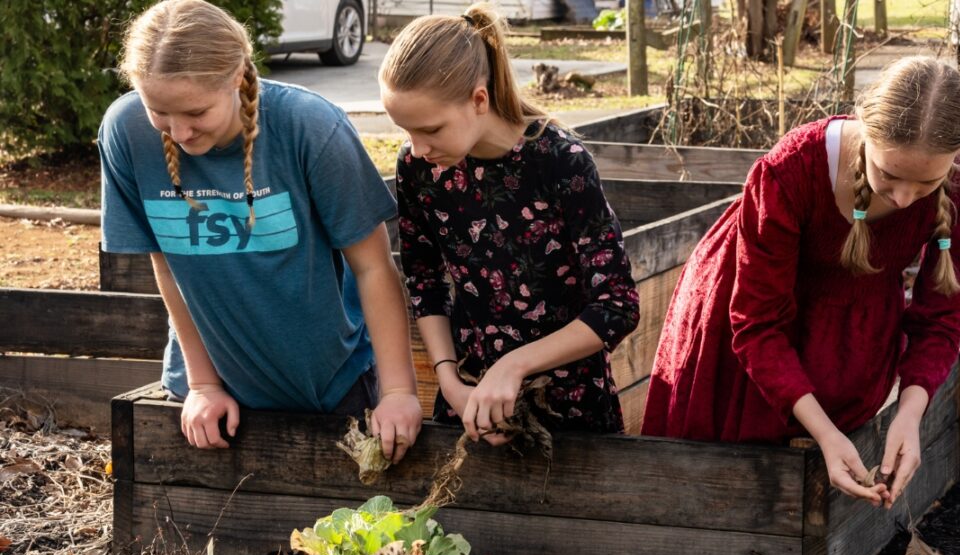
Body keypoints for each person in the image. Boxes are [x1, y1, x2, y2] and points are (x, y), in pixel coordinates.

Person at [642, 57, 960, 508]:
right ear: (865, 132)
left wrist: (911, 414)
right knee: (717, 497)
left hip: (851, 336)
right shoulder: (791, 171)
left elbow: (942, 316)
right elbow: (756, 325)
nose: (905, 198)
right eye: (888, 174)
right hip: (747, 329)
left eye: (927, 183)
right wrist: (826, 435)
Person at [99, 0, 422, 459]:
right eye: (160, 112)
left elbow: (373, 267)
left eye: (196, 112)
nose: (179, 133)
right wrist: (203, 383)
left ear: (235, 76)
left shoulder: (311, 128)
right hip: (210, 399)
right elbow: (168, 264)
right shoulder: (126, 131)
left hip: (329, 388)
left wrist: (397, 394)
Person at [378, 3, 640, 443]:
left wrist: (513, 366)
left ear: (479, 99)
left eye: (431, 129)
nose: (418, 147)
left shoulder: (560, 162)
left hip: (569, 415)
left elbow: (617, 306)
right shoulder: (420, 168)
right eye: (406, 132)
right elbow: (424, 281)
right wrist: (449, 381)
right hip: (467, 405)